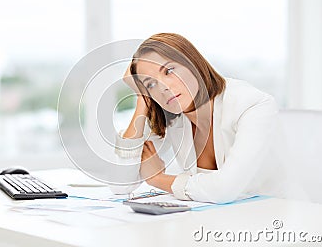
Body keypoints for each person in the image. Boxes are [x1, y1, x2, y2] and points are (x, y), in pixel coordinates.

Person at [111, 33, 290, 204]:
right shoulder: (173, 115)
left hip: (274, 220)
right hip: (212, 223)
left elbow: (224, 189)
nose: (163, 87)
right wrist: (141, 101)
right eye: (151, 84)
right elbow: (121, 185)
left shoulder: (252, 104)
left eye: (169, 71)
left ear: (193, 63)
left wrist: (157, 179)